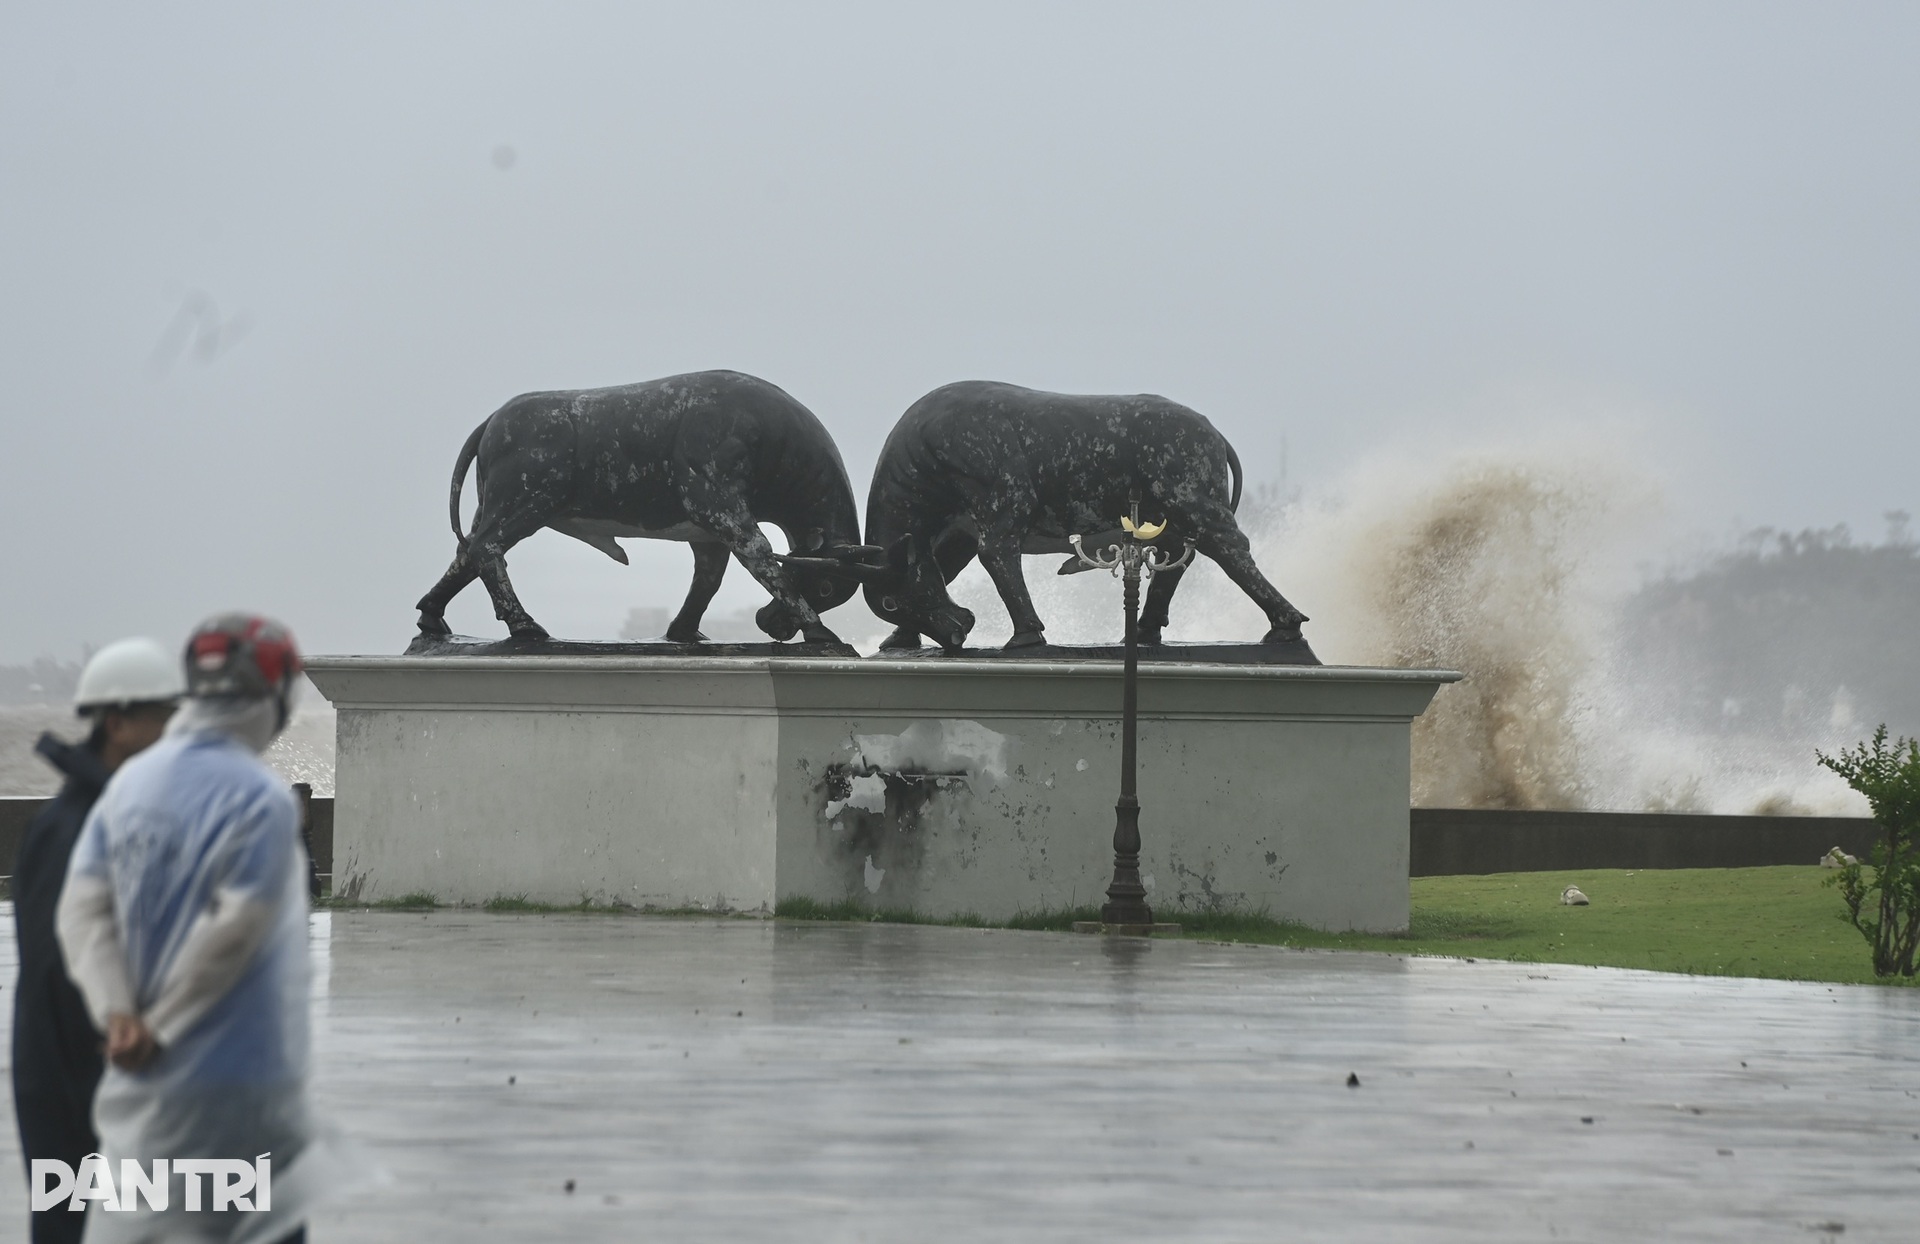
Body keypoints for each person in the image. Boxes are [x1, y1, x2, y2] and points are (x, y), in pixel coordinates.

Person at [57, 614, 335, 1244]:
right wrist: (160, 1026)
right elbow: (234, 931)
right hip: (240, 1091)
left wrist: (118, 1014)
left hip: (139, 1095)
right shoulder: (260, 801)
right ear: (273, 694)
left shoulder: (129, 785)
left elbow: (82, 910)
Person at [13, 638, 184, 1244]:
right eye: (164, 721)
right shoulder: (76, 832)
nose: (175, 738)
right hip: (74, 1078)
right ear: (118, 724)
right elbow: (62, 971)